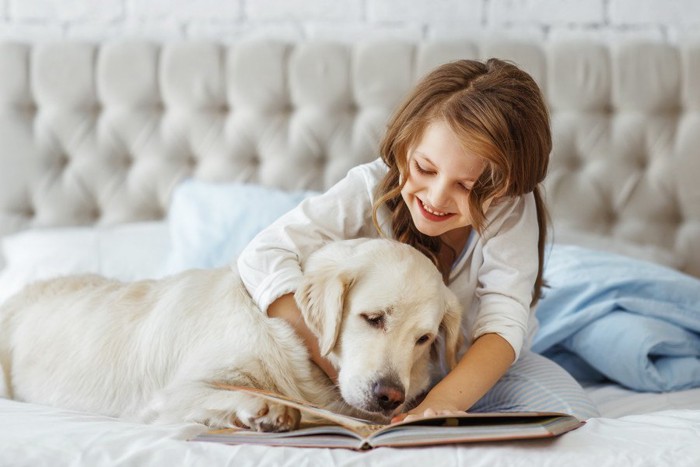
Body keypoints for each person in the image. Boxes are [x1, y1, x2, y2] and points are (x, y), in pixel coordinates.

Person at [236, 58, 599, 421]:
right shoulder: (366, 188)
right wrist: (342, 369)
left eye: (468, 187)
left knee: (569, 413)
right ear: (404, 145)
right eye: (425, 169)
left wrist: (435, 406)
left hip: (472, 375)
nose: (438, 197)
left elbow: (504, 323)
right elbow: (262, 255)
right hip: (354, 373)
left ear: (506, 191)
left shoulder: (511, 211)